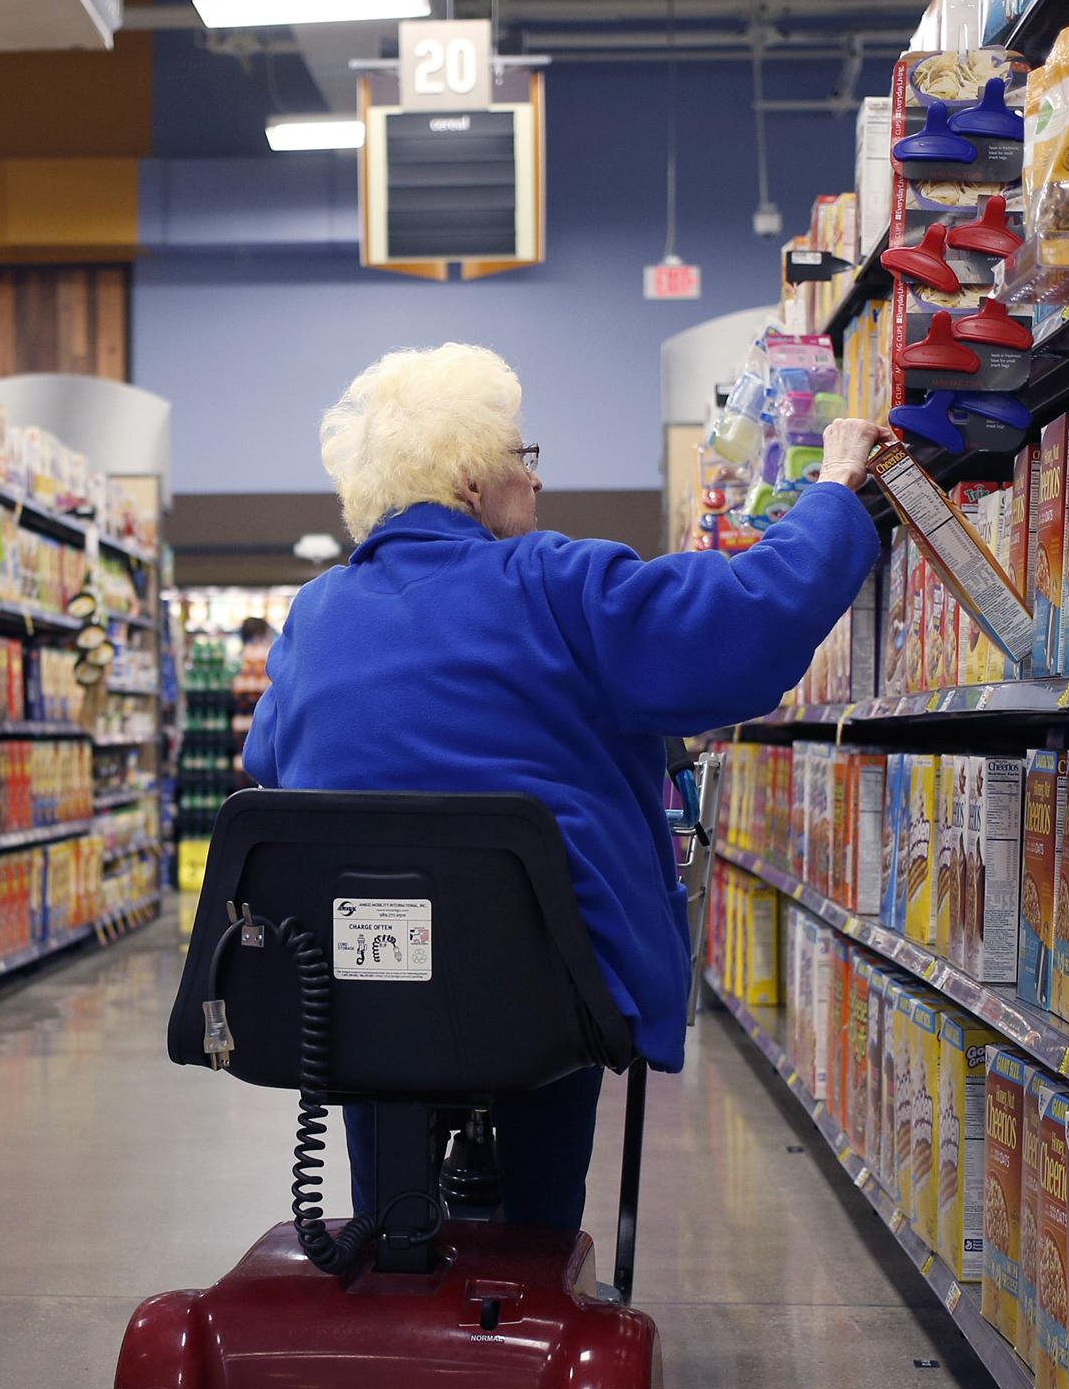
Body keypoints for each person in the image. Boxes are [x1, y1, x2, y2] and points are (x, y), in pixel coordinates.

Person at [241, 342, 886, 1231]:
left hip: (351, 994)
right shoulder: (555, 581)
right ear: (472, 480)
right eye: (522, 457)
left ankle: (384, 1244)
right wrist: (835, 495)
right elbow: (739, 625)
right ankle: (541, 1256)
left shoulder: (314, 615)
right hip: (544, 999)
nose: (534, 484)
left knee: (379, 1019)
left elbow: (269, 762)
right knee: (541, 1002)